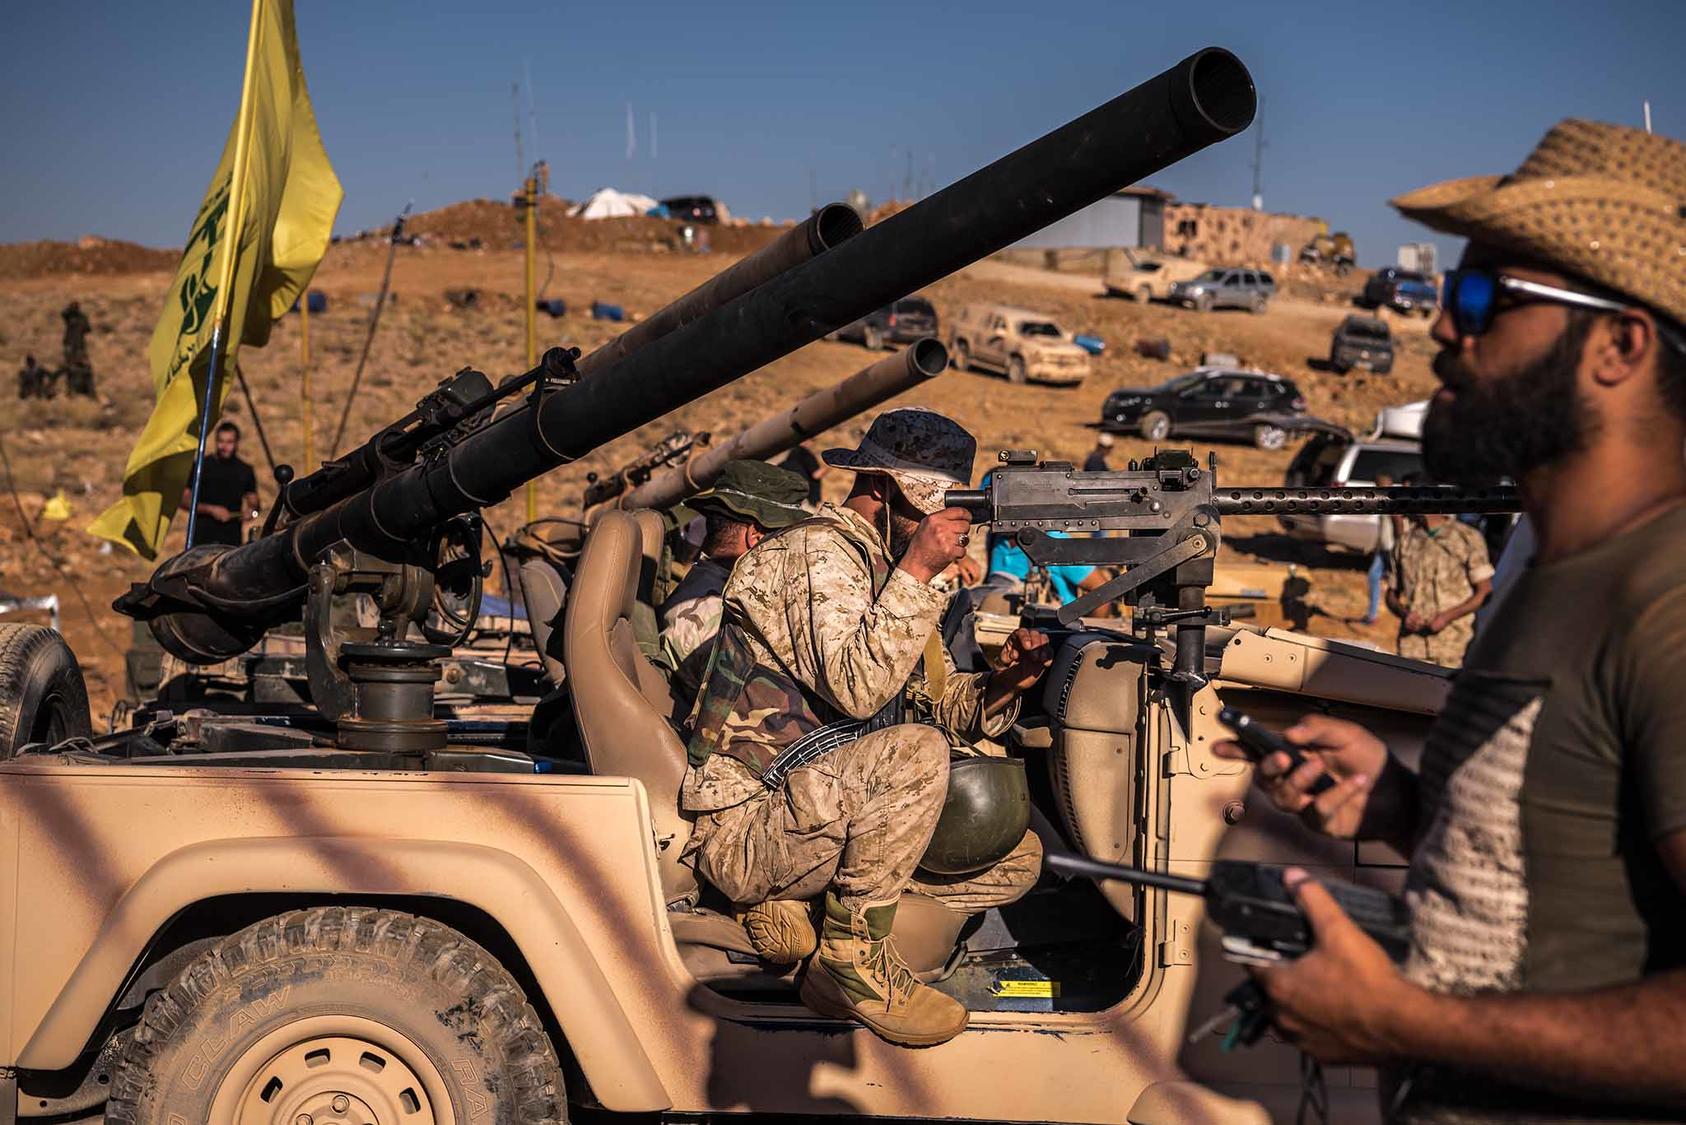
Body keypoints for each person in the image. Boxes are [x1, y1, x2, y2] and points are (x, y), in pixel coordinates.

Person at [1216, 119, 1686, 1122]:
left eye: (1483, 298)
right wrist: (1404, 806)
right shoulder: (1549, 571)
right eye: (1444, 295)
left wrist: (1403, 1025)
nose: (1442, 328)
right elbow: (1574, 877)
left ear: (1620, 345)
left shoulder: (1671, 603)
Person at [682, 407, 1052, 1046]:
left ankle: (818, 934)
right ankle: (854, 957)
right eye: (936, 508)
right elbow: (860, 691)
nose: (951, 527)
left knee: (1014, 854)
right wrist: (917, 575)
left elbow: (920, 706)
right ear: (880, 489)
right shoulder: (813, 555)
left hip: (827, 804)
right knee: (917, 754)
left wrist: (1004, 683)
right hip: (751, 821)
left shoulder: (878, 565)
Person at [658, 459, 810, 715]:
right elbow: (767, 713)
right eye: (789, 537)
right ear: (757, 537)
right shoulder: (705, 615)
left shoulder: (724, 593)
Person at [1386, 504, 1492, 666]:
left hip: (1454, 648)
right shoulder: (1404, 542)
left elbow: (1484, 591)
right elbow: (1391, 594)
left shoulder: (1467, 538)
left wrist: (1447, 617)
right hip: (1412, 648)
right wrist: (1405, 614)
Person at [181, 421, 259, 547]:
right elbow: (184, 501)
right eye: (221, 441)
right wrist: (210, 510)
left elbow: (254, 502)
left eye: (229, 442)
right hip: (202, 540)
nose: (224, 446)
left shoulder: (245, 470)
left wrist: (250, 511)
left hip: (231, 542)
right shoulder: (201, 466)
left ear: (237, 443)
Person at [1359, 472, 1401, 625]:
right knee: (1374, 576)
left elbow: (1398, 525)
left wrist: (1399, 546)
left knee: (1393, 580)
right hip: (1384, 547)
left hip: (1391, 547)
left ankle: (1377, 615)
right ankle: (1372, 615)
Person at [777, 440, 826, 506]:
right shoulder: (804, 453)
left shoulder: (793, 453)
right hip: (805, 498)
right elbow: (816, 474)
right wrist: (829, 467)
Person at [60, 302, 93, 396]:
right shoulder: (70, 316)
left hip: (77, 345)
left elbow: (88, 329)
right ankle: (72, 389)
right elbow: (63, 313)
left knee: (79, 366)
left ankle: (80, 389)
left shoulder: (80, 317)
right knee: (71, 367)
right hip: (73, 345)